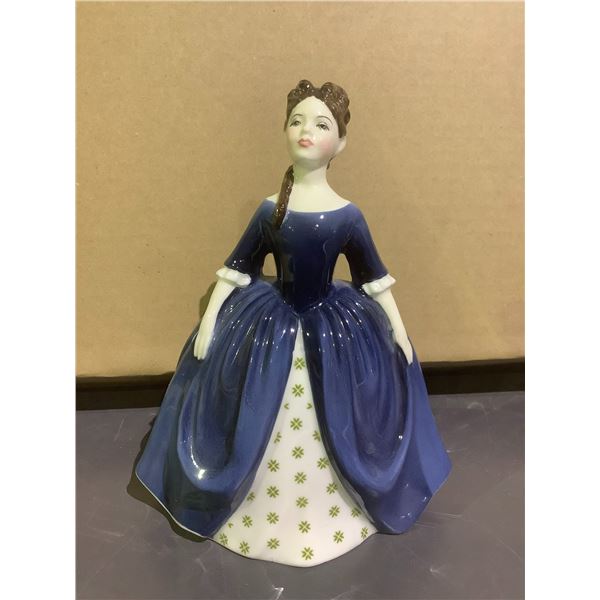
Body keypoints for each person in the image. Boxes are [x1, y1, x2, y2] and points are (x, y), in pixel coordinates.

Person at [135, 79, 451, 567]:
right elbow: (237, 268)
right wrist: (212, 317)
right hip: (270, 324)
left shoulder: (348, 216)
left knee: (343, 408)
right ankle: (244, 498)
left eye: (321, 124)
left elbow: (373, 278)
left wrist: (398, 328)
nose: (306, 131)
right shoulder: (269, 210)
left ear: (340, 143)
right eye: (297, 121)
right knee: (250, 409)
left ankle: (336, 504)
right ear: (284, 130)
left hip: (333, 330)